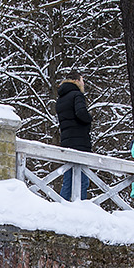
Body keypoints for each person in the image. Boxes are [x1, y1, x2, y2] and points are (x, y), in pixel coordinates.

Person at [55, 72, 93, 201]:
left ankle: (62, 205)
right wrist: (89, 119)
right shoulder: (77, 95)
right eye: (82, 80)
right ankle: (80, 207)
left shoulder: (61, 98)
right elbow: (81, 113)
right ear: (76, 81)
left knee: (68, 179)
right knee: (82, 180)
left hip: (66, 141)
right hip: (80, 141)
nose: (83, 83)